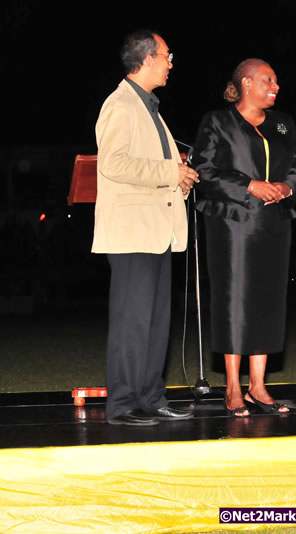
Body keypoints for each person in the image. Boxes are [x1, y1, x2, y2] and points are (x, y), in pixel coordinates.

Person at [93, 30, 198, 426]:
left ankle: (152, 398)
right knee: (132, 322)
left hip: (157, 231)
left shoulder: (150, 108)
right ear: (149, 58)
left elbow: (156, 171)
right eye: (168, 56)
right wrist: (171, 171)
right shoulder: (120, 104)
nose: (172, 63)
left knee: (155, 322)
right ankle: (122, 405)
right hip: (132, 233)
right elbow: (114, 164)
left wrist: (180, 178)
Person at [193, 59, 296, 417]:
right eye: (268, 80)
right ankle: (233, 387)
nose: (276, 86)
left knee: (269, 300)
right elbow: (206, 170)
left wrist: (286, 188)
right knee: (235, 300)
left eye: (276, 80)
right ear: (246, 83)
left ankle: (258, 385)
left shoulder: (284, 123)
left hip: (275, 222)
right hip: (233, 223)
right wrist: (250, 186)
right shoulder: (218, 121)